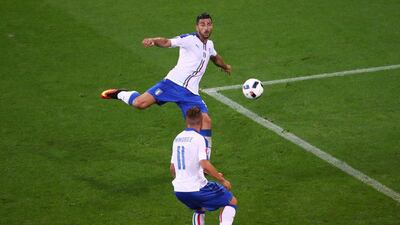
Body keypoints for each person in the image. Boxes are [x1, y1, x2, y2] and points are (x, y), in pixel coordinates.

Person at [100, 12, 231, 159]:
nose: (206, 28)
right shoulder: (188, 39)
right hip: (172, 84)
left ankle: (205, 160)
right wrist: (153, 41)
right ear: (197, 27)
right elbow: (167, 42)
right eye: (203, 25)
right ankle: (120, 93)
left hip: (191, 94)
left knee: (206, 120)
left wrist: (225, 66)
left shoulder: (210, 45)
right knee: (140, 104)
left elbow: (214, 57)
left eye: (209, 24)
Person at [170, 107, 237, 225]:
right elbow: (205, 164)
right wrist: (222, 180)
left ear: (187, 121)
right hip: (197, 188)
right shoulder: (199, 138)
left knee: (199, 208)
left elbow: (173, 168)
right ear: (201, 122)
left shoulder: (177, 138)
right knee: (231, 201)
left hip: (179, 190)